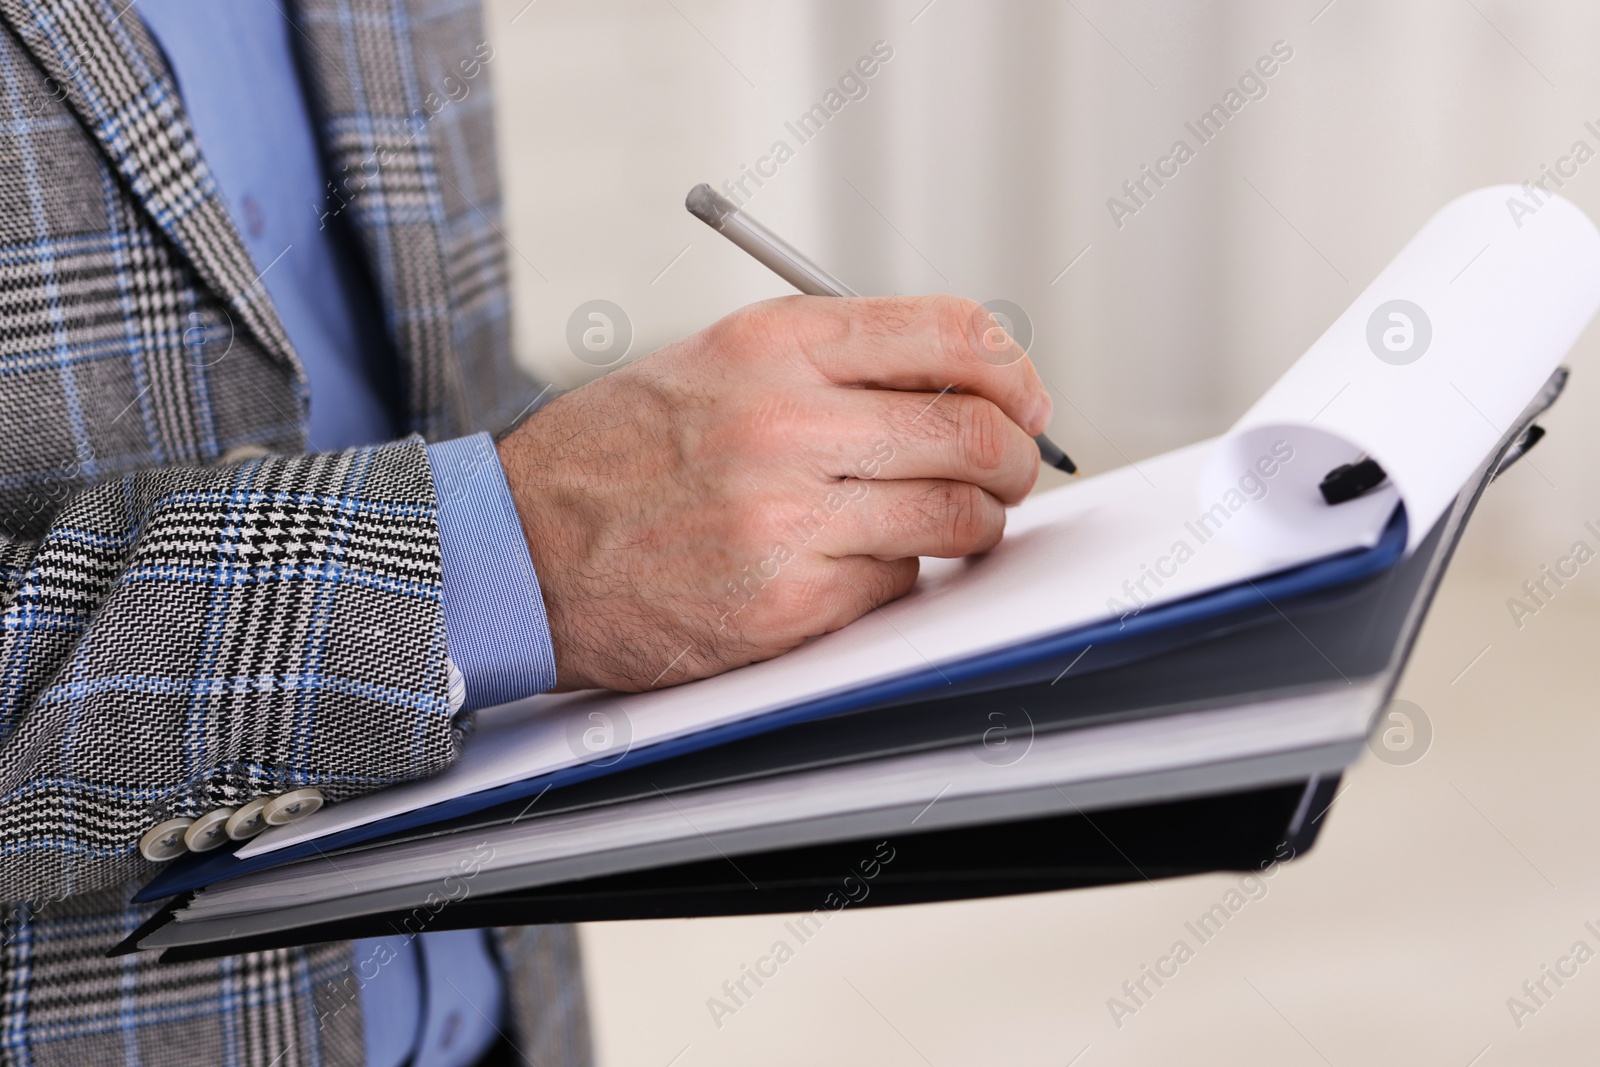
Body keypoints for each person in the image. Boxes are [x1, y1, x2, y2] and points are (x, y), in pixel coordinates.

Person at [0, 1, 1051, 1065]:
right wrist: (507, 554)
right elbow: (499, 525)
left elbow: (416, 399)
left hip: (508, 1010)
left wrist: (677, 473)